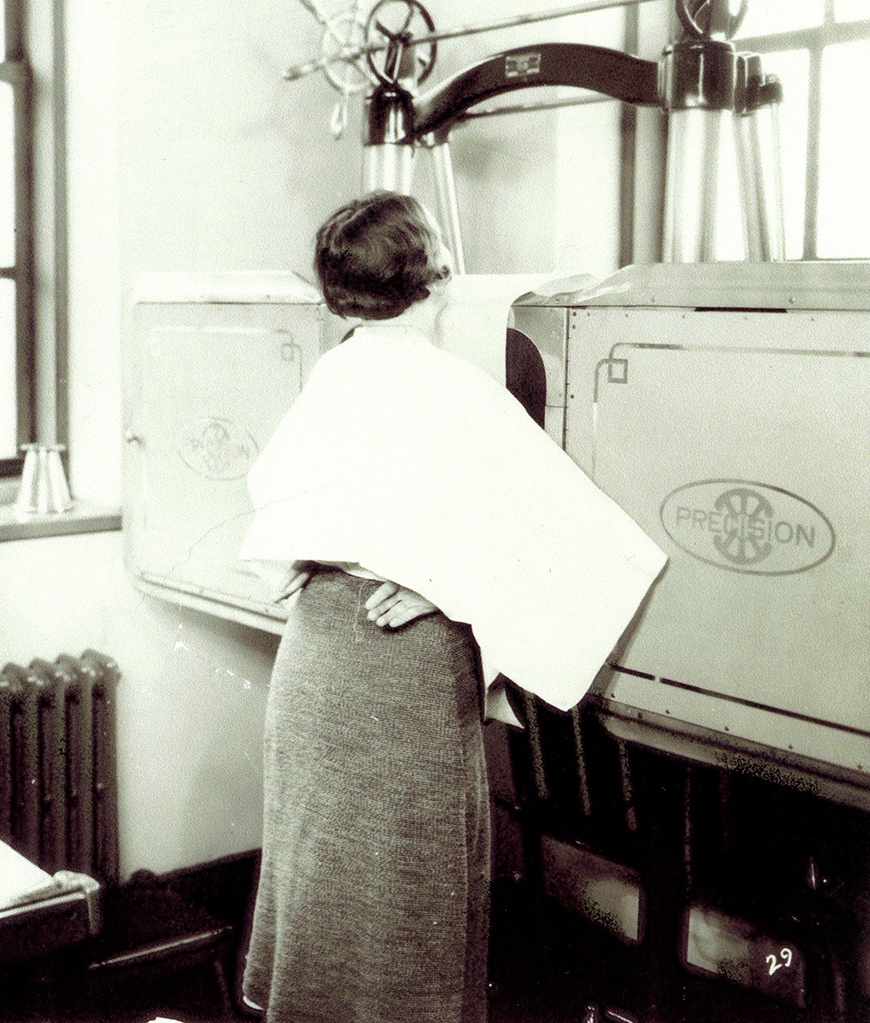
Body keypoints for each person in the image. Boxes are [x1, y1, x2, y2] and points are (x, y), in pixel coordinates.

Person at [238, 191, 666, 1023]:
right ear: (434, 279)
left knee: (325, 879)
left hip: (317, 660)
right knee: (409, 892)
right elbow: (576, 537)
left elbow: (278, 516)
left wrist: (396, 565)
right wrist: (447, 582)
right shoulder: (456, 391)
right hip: (403, 667)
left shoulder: (330, 378)